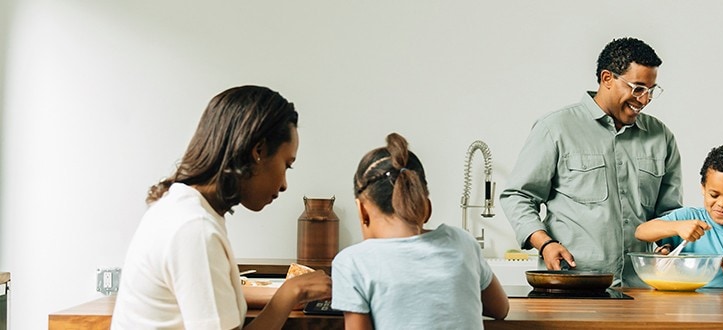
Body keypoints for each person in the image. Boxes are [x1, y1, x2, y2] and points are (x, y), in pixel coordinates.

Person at [111, 85, 332, 329]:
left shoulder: (183, 210)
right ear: (258, 151)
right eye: (287, 165)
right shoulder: (195, 229)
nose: (284, 185)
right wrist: (291, 291)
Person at [500, 37, 682, 287]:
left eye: (651, 90)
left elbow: (669, 213)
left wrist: (667, 245)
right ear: (607, 78)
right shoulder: (556, 129)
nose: (644, 99)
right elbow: (518, 196)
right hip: (572, 284)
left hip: (642, 288)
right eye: (638, 88)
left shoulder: (661, 137)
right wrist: (545, 243)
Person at [330, 133, 509, 329]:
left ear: (362, 209)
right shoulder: (463, 243)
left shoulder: (351, 263)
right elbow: (500, 308)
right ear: (424, 202)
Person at [635, 144, 723, 288]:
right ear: (703, 188)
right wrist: (676, 227)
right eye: (714, 195)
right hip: (686, 306)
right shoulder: (687, 218)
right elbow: (641, 232)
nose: (722, 204)